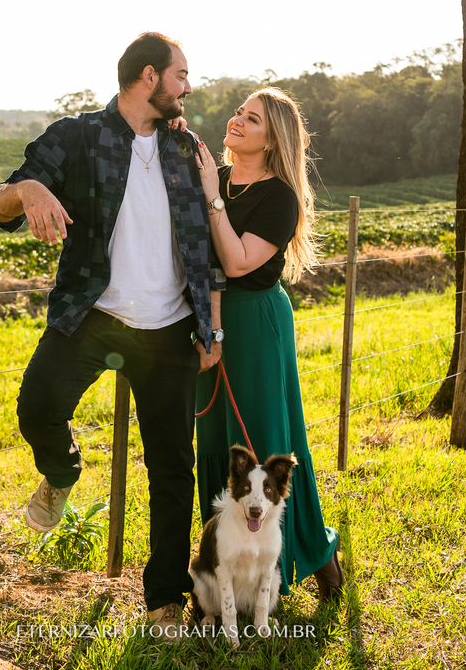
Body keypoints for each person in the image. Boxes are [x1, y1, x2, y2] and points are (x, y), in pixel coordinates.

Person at [0, 32, 225, 638]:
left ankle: (164, 600)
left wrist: (211, 326)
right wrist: (29, 189)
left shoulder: (185, 147)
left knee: (173, 469)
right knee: (37, 407)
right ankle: (63, 471)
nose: (188, 86)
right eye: (181, 75)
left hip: (170, 328)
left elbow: (202, 246)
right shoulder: (77, 137)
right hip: (93, 315)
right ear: (149, 76)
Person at [192, 87, 344, 602]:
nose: (237, 121)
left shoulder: (279, 197)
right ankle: (227, 569)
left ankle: (314, 553)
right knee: (217, 443)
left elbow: (237, 262)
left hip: (255, 322)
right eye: (239, 112)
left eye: (251, 119)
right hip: (208, 318)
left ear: (272, 139)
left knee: (264, 444)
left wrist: (211, 195)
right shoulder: (215, 176)